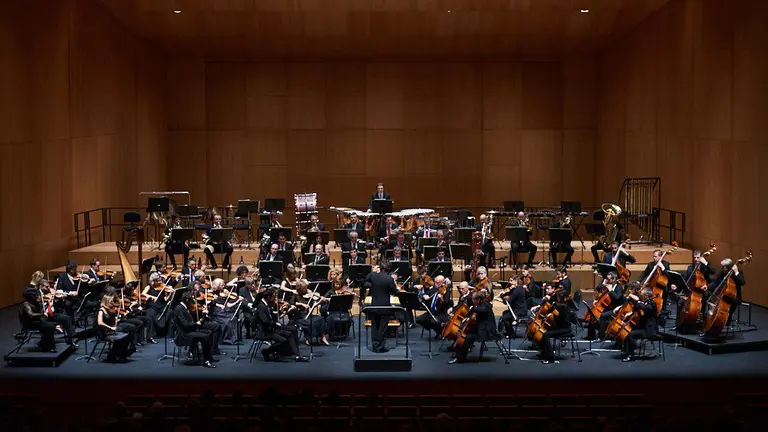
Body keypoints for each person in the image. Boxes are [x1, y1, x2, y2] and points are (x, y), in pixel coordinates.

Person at [253, 289, 308, 362]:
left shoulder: (266, 304)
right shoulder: (261, 306)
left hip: (271, 328)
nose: (275, 299)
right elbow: (265, 321)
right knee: (284, 340)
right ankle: (266, 351)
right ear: (268, 297)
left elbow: (272, 317)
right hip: (265, 331)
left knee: (289, 334)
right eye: (274, 297)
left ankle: (298, 356)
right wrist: (276, 325)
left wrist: (281, 312)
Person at [361, 259, 399, 353]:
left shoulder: (373, 276)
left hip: (374, 306)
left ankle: (375, 346)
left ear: (380, 268)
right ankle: (380, 347)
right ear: (389, 269)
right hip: (385, 307)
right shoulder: (389, 279)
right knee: (382, 328)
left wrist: (372, 282)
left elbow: (364, 281)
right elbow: (394, 292)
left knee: (375, 327)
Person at [449, 291, 497, 364]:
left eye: (473, 300)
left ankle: (460, 357)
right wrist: (468, 318)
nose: (472, 301)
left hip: (487, 331)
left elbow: (483, 310)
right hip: (480, 327)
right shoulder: (480, 305)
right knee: (462, 333)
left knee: (467, 337)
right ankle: (459, 354)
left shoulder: (487, 305)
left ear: (478, 300)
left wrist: (472, 308)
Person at [533, 285, 576, 364]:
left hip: (565, 328)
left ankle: (550, 357)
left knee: (545, 335)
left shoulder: (563, 307)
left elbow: (560, 317)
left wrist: (551, 314)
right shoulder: (559, 305)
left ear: (560, 298)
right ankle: (543, 351)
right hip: (558, 326)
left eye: (557, 297)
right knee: (541, 331)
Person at [173, 293, 217, 368]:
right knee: (205, 337)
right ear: (186, 300)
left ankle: (208, 357)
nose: (192, 303)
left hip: (190, 330)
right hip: (184, 334)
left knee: (209, 332)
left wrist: (202, 316)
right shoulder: (179, 309)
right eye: (191, 301)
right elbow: (185, 324)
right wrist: (196, 323)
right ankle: (205, 361)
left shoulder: (186, 307)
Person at [96, 291, 136, 362]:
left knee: (130, 329)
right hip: (105, 332)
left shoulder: (109, 310)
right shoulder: (101, 310)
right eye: (111, 302)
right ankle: (117, 354)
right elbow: (100, 323)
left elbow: (112, 321)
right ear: (106, 302)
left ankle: (127, 350)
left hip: (111, 329)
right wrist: (110, 327)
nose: (112, 303)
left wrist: (117, 320)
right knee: (124, 335)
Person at [36, 278, 78, 346]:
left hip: (52, 314)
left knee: (66, 318)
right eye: (46, 287)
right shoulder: (37, 294)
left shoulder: (50, 292)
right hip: (43, 315)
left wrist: (59, 299)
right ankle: (46, 343)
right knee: (49, 325)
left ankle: (70, 339)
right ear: (41, 286)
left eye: (49, 286)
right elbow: (38, 304)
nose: (49, 288)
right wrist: (47, 302)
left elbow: (58, 306)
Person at [620, 287, 658, 362]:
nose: (641, 296)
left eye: (642, 295)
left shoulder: (652, 304)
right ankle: (628, 352)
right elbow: (635, 310)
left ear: (646, 295)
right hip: (642, 327)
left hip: (649, 330)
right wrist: (626, 320)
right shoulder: (642, 303)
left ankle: (630, 355)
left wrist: (638, 302)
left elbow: (646, 308)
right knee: (626, 332)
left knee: (630, 334)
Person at [706, 258, 747, 326]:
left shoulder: (738, 271)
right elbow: (716, 283)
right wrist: (708, 286)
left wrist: (736, 272)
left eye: (723, 267)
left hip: (734, 297)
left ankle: (723, 322)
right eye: (722, 267)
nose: (722, 268)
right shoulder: (722, 273)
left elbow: (742, 283)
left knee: (725, 316)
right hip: (722, 296)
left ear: (729, 267)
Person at [586, 272, 624, 341]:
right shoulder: (607, 285)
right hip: (607, 306)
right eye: (607, 279)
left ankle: (601, 337)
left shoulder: (619, 287)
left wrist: (610, 290)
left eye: (609, 280)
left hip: (615, 309)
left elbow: (617, 297)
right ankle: (591, 336)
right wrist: (597, 300)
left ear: (614, 279)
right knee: (592, 313)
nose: (607, 281)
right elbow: (598, 289)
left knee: (603, 315)